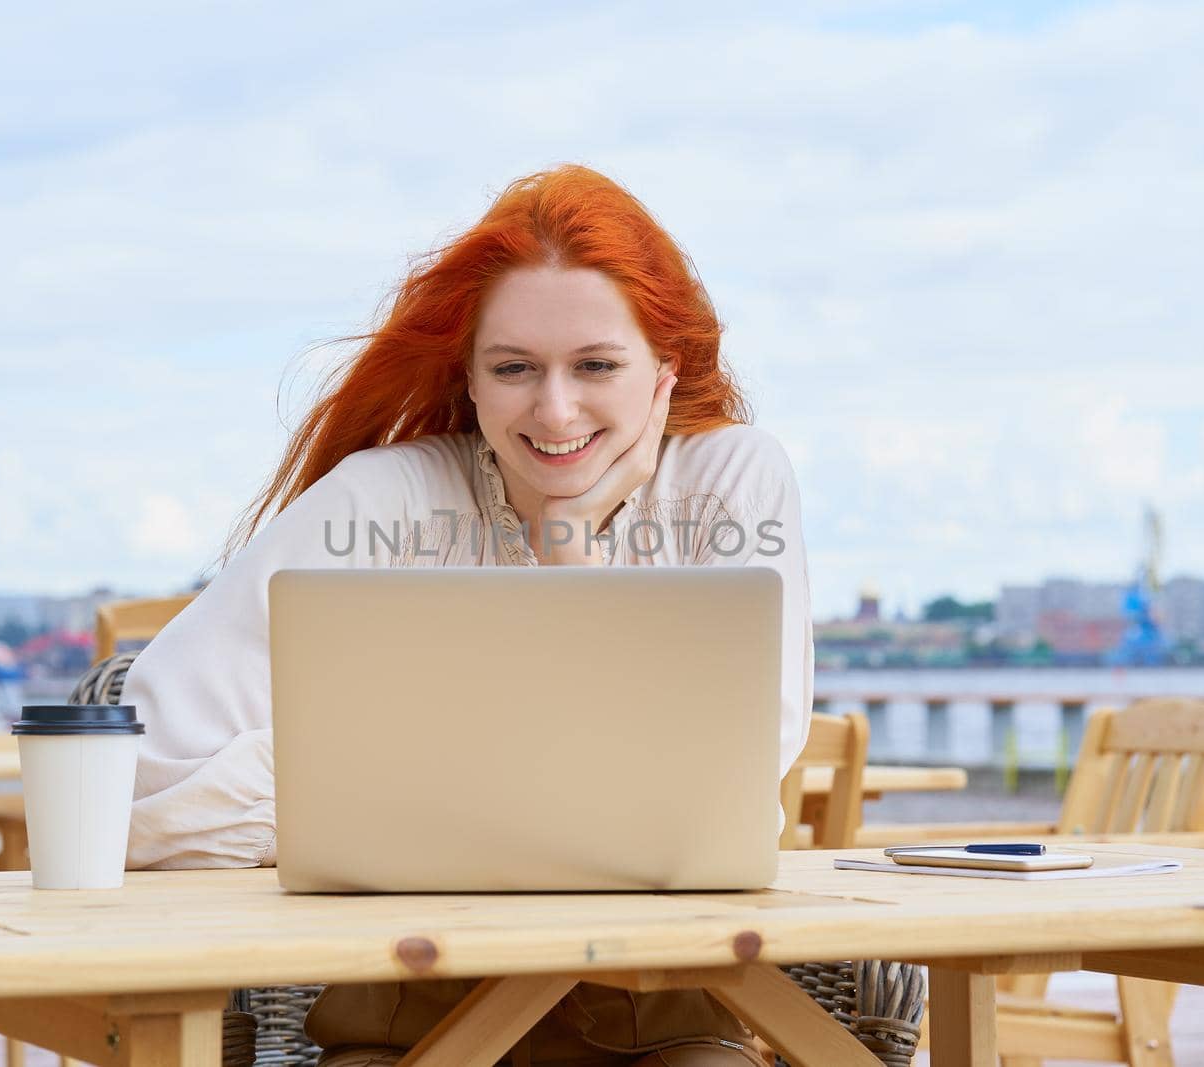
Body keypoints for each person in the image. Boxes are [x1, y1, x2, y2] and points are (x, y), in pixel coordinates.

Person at [123, 164, 813, 1066]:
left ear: (662, 373)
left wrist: (566, 547)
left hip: (666, 1023)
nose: (554, 408)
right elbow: (144, 776)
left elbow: (724, 789)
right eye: (514, 367)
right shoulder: (386, 497)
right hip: (405, 1027)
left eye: (597, 365)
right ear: (473, 380)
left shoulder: (732, 481)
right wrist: (495, 796)